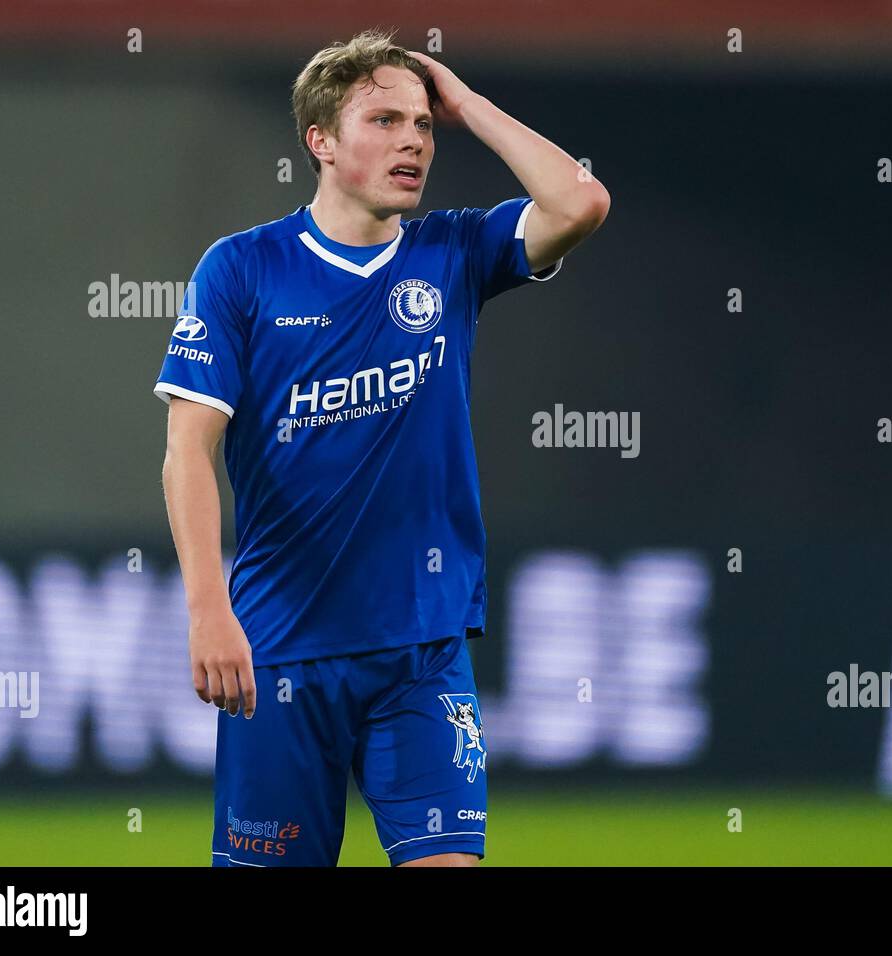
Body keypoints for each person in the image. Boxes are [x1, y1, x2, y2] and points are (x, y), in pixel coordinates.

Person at [154, 28, 609, 867]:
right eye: (385, 121)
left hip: (421, 651)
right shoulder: (242, 270)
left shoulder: (454, 253)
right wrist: (206, 610)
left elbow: (580, 204)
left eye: (423, 126)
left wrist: (468, 106)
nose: (414, 140)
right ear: (320, 142)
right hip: (282, 651)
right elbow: (188, 451)